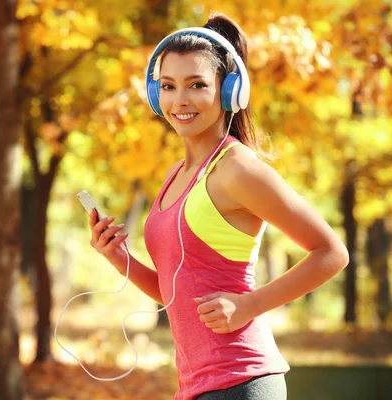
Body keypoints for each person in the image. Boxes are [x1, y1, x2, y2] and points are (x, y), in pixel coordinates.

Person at [88, 12, 349, 400]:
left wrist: (250, 305)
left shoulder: (238, 170)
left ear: (229, 92)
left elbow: (332, 252)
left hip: (241, 381)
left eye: (197, 85)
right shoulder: (177, 173)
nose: (181, 100)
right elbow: (174, 293)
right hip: (196, 386)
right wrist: (118, 257)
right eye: (169, 86)